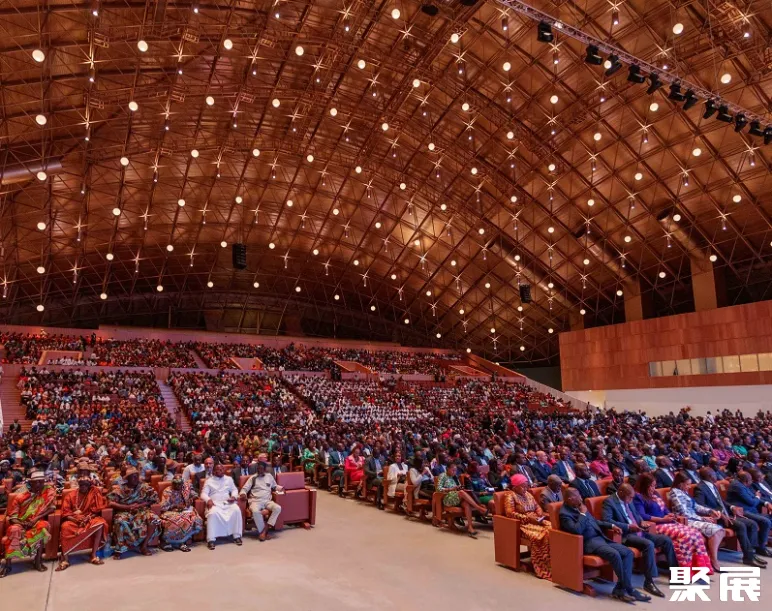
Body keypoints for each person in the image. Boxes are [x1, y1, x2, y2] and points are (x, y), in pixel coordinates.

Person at [559, 488, 650, 602]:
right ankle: (630, 589)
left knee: (627, 553)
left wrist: (611, 526)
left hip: (601, 538)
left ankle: (619, 590)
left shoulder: (579, 505)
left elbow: (594, 522)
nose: (581, 498)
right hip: (589, 543)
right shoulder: (564, 514)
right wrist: (582, 514)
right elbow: (577, 530)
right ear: (569, 499)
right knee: (615, 554)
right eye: (578, 497)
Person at [602, 483, 675, 597]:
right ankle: (649, 582)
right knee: (648, 544)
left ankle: (675, 576)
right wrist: (627, 526)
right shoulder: (609, 502)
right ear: (621, 493)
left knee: (666, 540)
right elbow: (607, 521)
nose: (631, 500)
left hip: (640, 531)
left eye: (632, 497)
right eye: (630, 497)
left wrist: (641, 521)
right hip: (626, 535)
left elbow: (635, 514)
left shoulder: (629, 499)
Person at [632, 472, 713, 571]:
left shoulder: (655, 493)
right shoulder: (638, 497)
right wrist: (662, 519)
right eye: (651, 486)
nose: (654, 488)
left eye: (654, 485)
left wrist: (669, 514)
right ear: (644, 485)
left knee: (695, 533)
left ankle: (698, 567)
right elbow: (642, 515)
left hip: (667, 522)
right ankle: (683, 569)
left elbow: (665, 508)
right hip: (656, 526)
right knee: (686, 536)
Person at [693, 467, 766, 568]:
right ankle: (748, 557)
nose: (716, 474)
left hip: (727, 514)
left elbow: (720, 501)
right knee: (741, 525)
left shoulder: (712, 485)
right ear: (710, 476)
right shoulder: (700, 487)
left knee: (752, 524)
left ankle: (751, 553)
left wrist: (732, 507)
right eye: (714, 473)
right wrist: (718, 513)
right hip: (717, 517)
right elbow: (699, 505)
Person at [0, 471, 56, 578]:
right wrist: (23, 524)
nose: (39, 484)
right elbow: (13, 517)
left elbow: (52, 508)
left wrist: (36, 519)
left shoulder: (47, 492)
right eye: (37, 482)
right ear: (31, 483)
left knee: (43, 526)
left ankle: (38, 561)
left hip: (36, 521)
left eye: (41, 482)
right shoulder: (20, 496)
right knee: (13, 530)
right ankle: (8, 565)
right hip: (20, 522)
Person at [668, 473, 725, 571]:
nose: (689, 487)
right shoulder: (675, 493)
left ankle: (712, 558)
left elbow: (696, 506)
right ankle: (713, 559)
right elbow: (683, 512)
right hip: (684, 521)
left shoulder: (683, 492)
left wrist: (709, 511)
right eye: (687, 484)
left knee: (720, 531)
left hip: (694, 518)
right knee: (718, 530)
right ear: (680, 484)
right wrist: (702, 518)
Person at [503, 474, 552, 580]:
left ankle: (553, 561)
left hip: (536, 520)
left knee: (553, 529)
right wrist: (528, 519)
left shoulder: (528, 494)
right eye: (523, 486)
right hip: (523, 524)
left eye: (526, 486)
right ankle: (543, 566)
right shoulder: (510, 496)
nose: (526, 488)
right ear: (515, 486)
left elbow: (537, 506)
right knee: (543, 534)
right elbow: (510, 513)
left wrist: (539, 515)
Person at [57, 474, 108, 570]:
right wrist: (75, 519)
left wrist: (88, 518)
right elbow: (65, 513)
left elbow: (95, 510)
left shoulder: (93, 493)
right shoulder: (70, 495)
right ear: (78, 485)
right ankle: (65, 559)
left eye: (86, 485)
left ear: (89, 486)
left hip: (88, 518)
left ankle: (93, 555)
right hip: (72, 519)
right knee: (65, 527)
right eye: (81, 485)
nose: (83, 487)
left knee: (100, 523)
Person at [107, 467, 161, 559]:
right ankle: (120, 548)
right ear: (127, 479)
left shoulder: (143, 487)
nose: (136, 479)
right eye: (133, 477)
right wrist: (128, 507)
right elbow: (110, 502)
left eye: (137, 476)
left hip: (141, 511)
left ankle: (144, 546)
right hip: (125, 512)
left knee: (154, 518)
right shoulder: (121, 488)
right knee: (120, 521)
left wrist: (141, 504)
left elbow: (154, 499)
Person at [726, 471, 772, 557]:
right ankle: (759, 548)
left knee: (768, 519)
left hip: (750, 510)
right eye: (751, 480)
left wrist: (765, 503)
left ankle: (760, 546)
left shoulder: (742, 484)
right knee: (765, 521)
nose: (752, 482)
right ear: (746, 480)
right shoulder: (737, 486)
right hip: (742, 511)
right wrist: (757, 496)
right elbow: (752, 501)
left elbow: (752, 497)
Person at [437, 463, 486, 538]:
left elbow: (459, 487)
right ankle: (479, 508)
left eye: (455, 470)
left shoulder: (455, 477)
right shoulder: (442, 476)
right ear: (447, 469)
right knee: (462, 492)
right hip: (447, 497)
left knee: (466, 503)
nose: (454, 472)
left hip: (457, 496)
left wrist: (459, 487)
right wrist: (450, 489)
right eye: (453, 470)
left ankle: (470, 527)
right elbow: (438, 489)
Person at [201, 463, 243, 549]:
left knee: (236, 510)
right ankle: (211, 540)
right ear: (214, 471)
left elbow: (234, 489)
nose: (220, 471)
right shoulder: (209, 481)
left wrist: (233, 496)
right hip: (215, 503)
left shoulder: (229, 479)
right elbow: (203, 494)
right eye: (218, 470)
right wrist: (208, 500)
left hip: (228, 502)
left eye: (221, 469)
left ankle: (236, 536)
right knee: (212, 513)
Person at [239, 461, 283, 541]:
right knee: (255, 511)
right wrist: (243, 494)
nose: (260, 470)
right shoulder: (253, 477)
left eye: (261, 469)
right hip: (255, 501)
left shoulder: (269, 476)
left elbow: (274, 486)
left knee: (278, 508)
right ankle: (263, 532)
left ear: (265, 469)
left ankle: (264, 531)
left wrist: (281, 488)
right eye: (258, 469)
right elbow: (245, 489)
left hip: (267, 501)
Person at [158, 476, 203, 552]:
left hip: (184, 510)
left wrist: (190, 500)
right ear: (172, 483)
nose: (178, 486)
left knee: (192, 518)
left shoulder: (185, 488)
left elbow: (195, 495)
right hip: (171, 511)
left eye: (180, 484)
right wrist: (175, 506)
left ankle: (181, 541)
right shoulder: (168, 491)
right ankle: (166, 542)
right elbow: (163, 506)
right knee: (177, 520)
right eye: (175, 484)